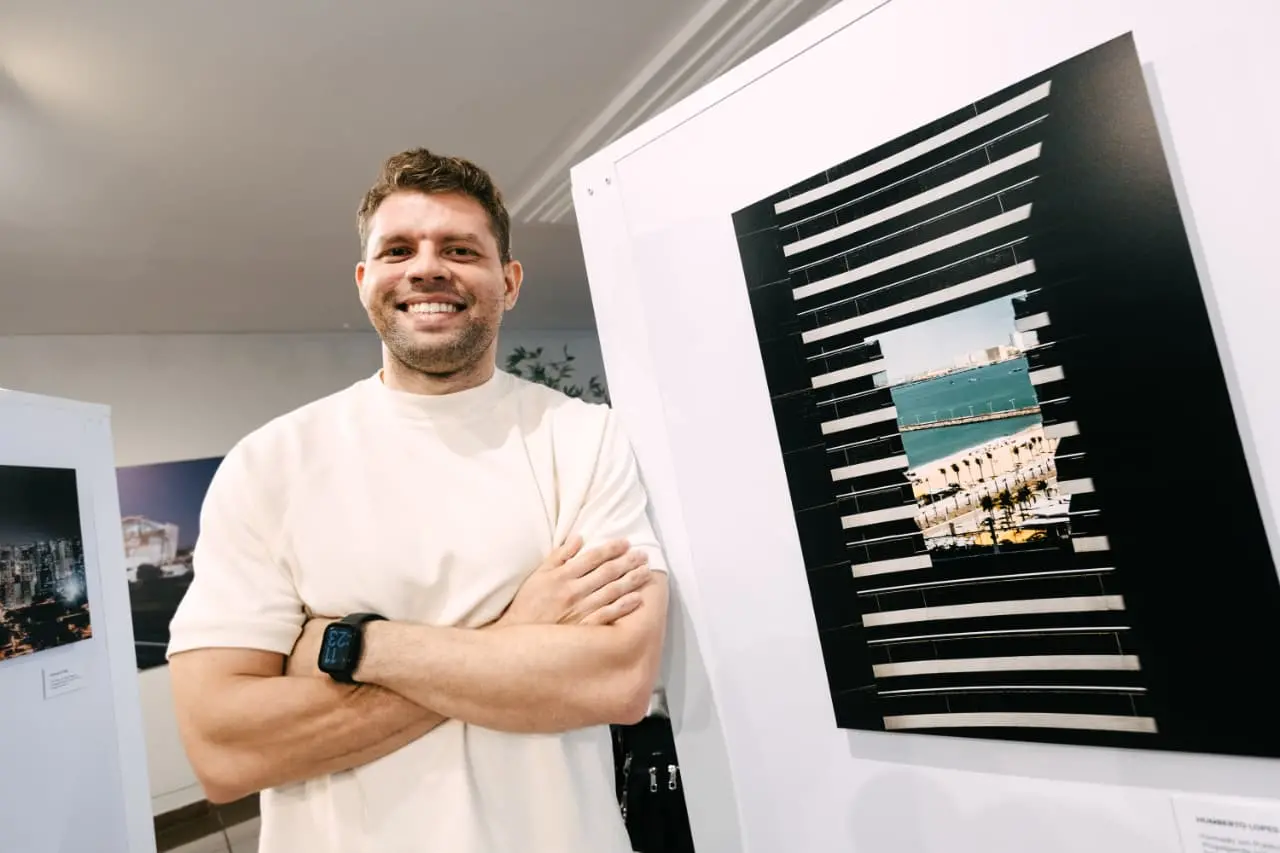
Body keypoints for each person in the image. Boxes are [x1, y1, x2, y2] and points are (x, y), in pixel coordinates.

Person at [165, 147, 671, 853]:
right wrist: (513, 633)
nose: (427, 268)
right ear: (364, 280)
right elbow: (224, 750)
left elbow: (615, 680)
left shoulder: (584, 437)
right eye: (398, 249)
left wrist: (353, 644)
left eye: (460, 249)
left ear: (509, 281)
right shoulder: (270, 463)